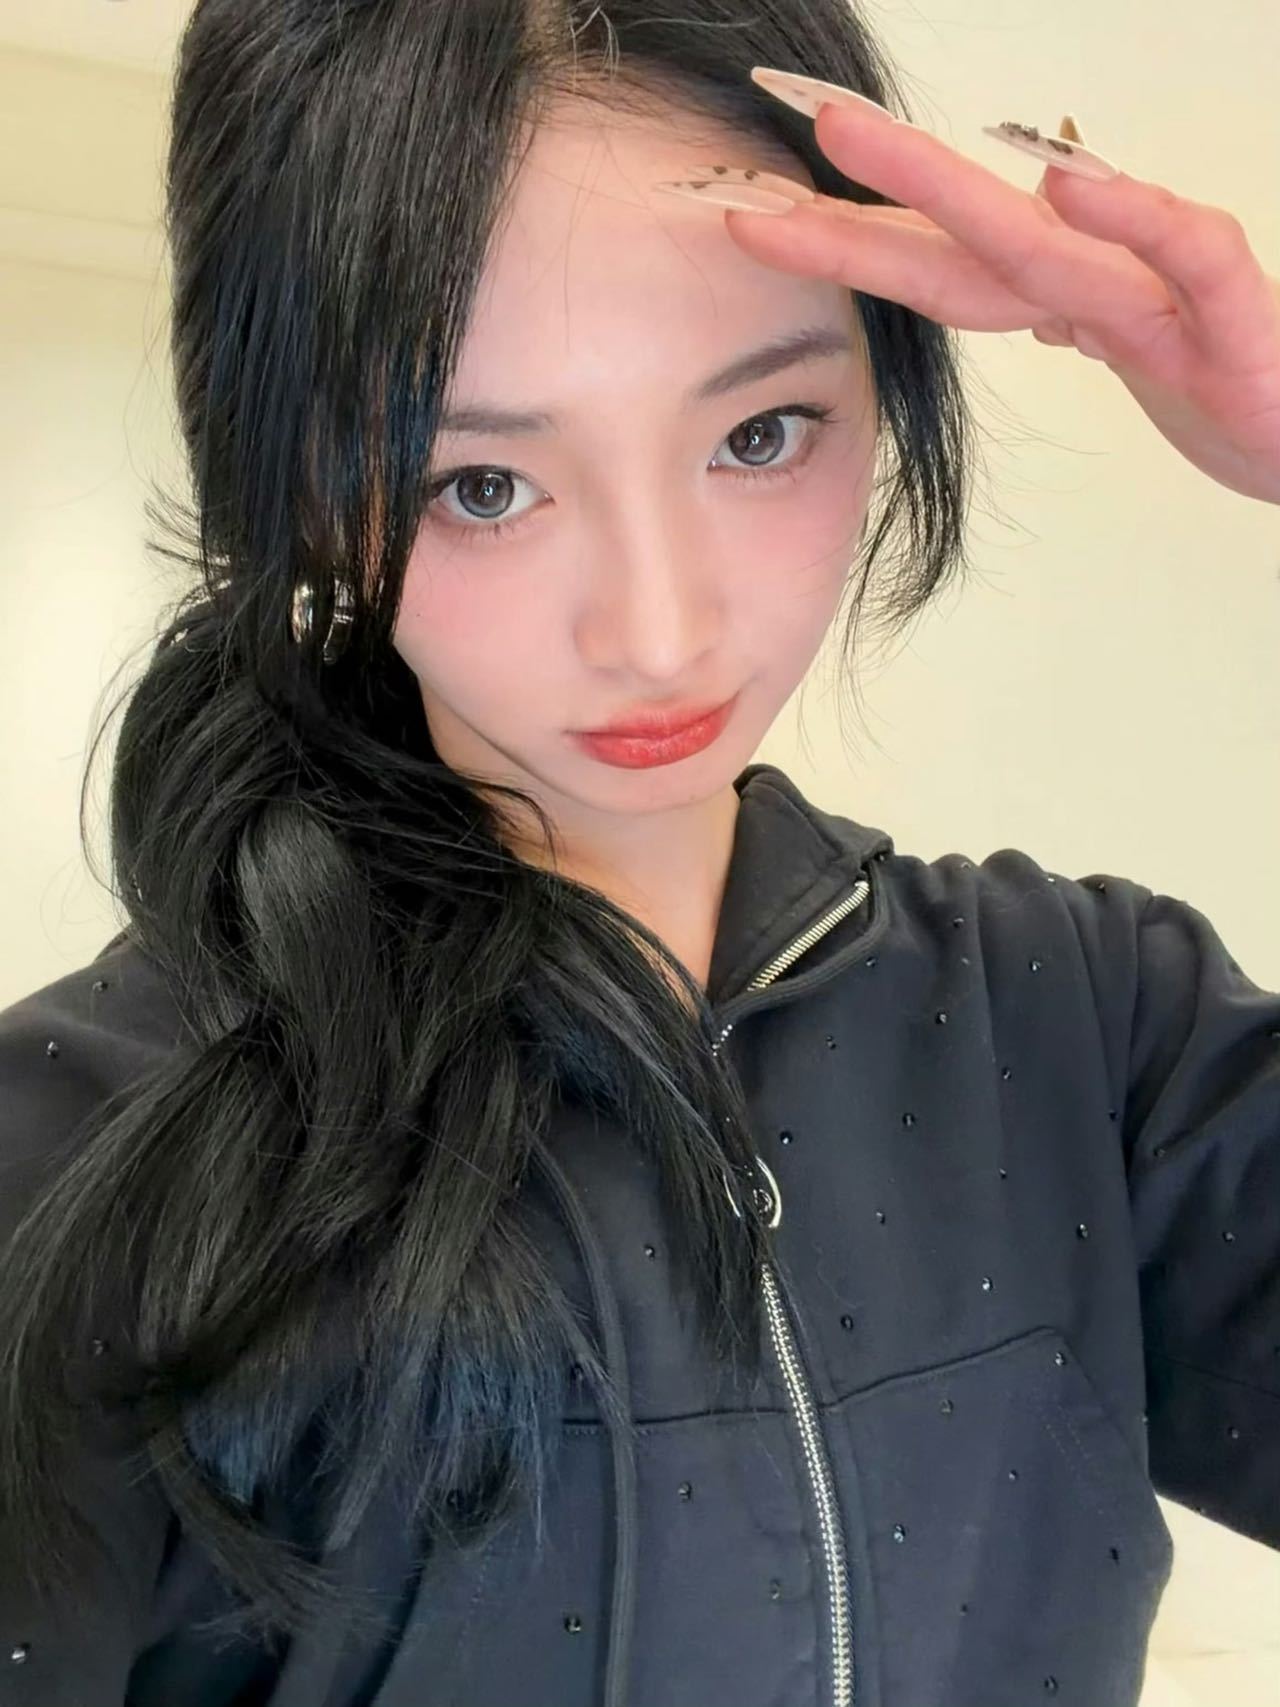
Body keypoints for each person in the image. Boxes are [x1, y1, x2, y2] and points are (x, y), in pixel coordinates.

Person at [1, 2, 1277, 1704]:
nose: (662, 633)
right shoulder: (77, 1152)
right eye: (479, 484)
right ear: (302, 494)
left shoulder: (1093, 1031)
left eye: (762, 434)